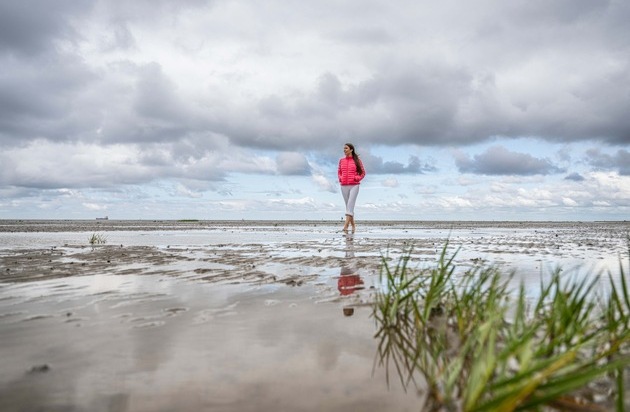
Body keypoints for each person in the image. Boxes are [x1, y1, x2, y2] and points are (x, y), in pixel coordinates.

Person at [338, 143, 366, 232]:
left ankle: (345, 226)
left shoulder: (357, 161)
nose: (344, 150)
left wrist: (357, 178)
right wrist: (340, 178)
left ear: (351, 150)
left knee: (350, 205)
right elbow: (339, 172)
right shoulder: (341, 160)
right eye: (344, 148)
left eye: (346, 148)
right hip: (343, 186)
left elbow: (363, 173)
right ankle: (353, 225)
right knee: (348, 207)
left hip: (354, 185)